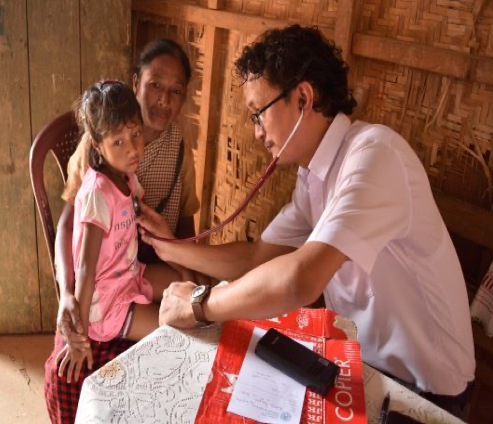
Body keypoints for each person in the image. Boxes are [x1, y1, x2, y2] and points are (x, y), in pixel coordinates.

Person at [139, 25, 476, 419]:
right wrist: (170, 248)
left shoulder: (375, 155)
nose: (257, 132)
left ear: (302, 98)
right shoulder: (313, 178)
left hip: (425, 392)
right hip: (363, 366)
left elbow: (300, 279)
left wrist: (201, 304)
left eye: (259, 113)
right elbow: (256, 259)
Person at [44, 39, 200, 424]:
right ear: (136, 83)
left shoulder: (156, 160)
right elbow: (82, 259)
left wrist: (173, 251)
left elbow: (178, 224)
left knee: (192, 292)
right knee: (174, 326)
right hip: (108, 291)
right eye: (155, 85)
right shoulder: (96, 173)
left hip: (130, 268)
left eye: (176, 91)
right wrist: (76, 325)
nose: (164, 99)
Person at [56, 80, 169, 383]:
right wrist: (79, 337)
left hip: (129, 274)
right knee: (172, 326)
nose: (132, 148)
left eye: (136, 135)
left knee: (186, 284)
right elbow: (85, 267)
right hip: (107, 302)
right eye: (118, 142)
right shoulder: (98, 194)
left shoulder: (125, 176)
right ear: (96, 145)